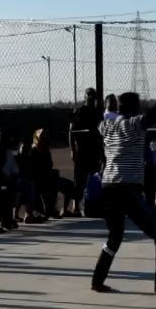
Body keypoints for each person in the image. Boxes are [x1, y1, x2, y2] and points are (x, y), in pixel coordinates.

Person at [91, 74, 156, 296]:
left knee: (114, 237)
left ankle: (97, 280)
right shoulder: (133, 125)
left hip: (108, 186)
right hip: (126, 188)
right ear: (134, 109)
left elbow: (105, 114)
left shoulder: (106, 127)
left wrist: (108, 105)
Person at [68, 89, 105, 217]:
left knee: (95, 177)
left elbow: (101, 134)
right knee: (79, 179)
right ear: (84, 97)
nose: (90, 97)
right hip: (82, 150)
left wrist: (102, 151)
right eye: (88, 95)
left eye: (93, 95)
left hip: (94, 149)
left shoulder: (98, 113)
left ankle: (93, 202)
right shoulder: (79, 112)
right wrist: (73, 149)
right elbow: (71, 131)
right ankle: (75, 205)